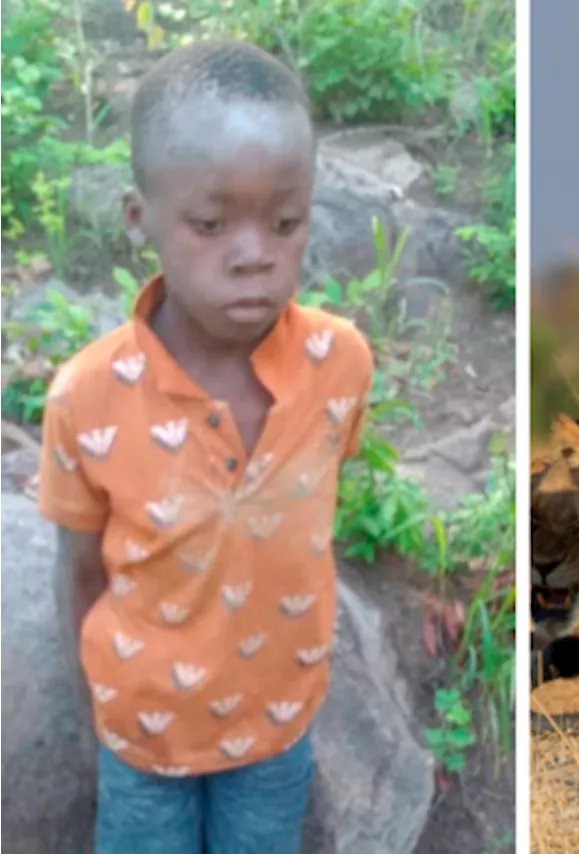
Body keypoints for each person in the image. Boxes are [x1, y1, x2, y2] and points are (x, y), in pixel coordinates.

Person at [37, 39, 374, 853]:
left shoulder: (339, 366)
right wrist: (96, 715)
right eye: (211, 223)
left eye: (285, 221)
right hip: (144, 736)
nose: (253, 251)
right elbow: (80, 569)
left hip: (279, 726)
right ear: (138, 216)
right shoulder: (87, 398)